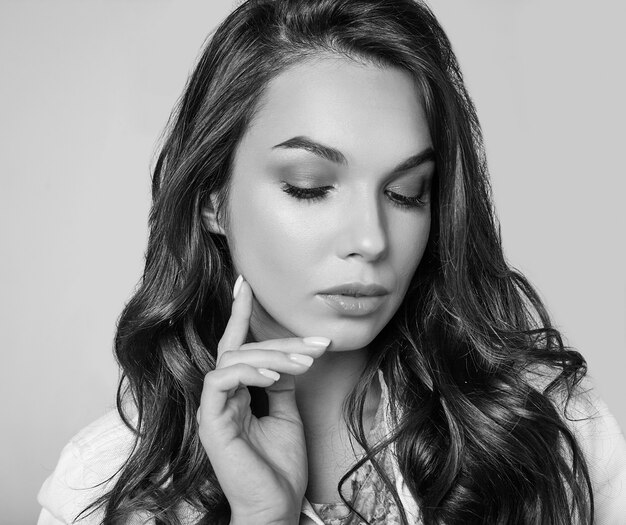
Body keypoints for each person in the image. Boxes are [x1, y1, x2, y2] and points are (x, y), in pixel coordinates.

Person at [37, 0, 626, 523]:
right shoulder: (107, 483)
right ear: (213, 199)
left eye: (407, 192)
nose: (371, 240)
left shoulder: (548, 426)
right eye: (310, 186)